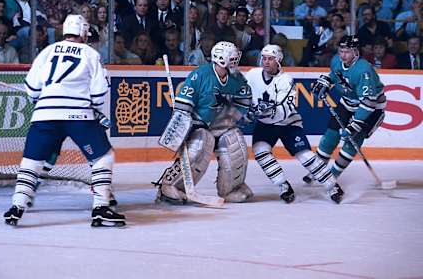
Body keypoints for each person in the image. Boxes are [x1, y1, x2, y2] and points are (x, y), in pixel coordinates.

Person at [3, 15, 125, 228]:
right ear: (84, 32)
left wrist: (45, 100)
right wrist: (91, 106)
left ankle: (17, 206)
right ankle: (101, 207)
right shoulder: (90, 53)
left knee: (32, 160)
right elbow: (98, 94)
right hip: (78, 115)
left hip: (44, 114)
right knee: (103, 157)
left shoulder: (46, 51)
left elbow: (31, 88)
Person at [156, 41, 253, 204]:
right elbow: (183, 106)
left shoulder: (236, 78)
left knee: (235, 142)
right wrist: (183, 129)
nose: (236, 60)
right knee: (201, 144)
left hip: (223, 126)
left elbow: (244, 101)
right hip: (199, 125)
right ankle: (170, 186)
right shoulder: (200, 75)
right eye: (232, 58)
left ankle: (230, 189)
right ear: (222, 59)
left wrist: (232, 119)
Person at [245, 44, 343, 204]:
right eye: (264, 58)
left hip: (288, 123)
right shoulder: (252, 74)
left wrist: (257, 112)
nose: (266, 62)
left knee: (304, 155)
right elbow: (242, 93)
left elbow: (283, 109)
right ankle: (283, 185)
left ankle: (332, 185)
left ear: (278, 61)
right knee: (260, 151)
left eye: (270, 59)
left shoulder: (286, 79)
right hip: (265, 124)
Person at [308, 35, 386, 187]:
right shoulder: (336, 60)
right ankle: (318, 170)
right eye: (341, 50)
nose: (343, 55)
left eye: (347, 51)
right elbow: (335, 75)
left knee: (352, 141)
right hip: (348, 103)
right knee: (331, 134)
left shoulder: (364, 70)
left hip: (371, 109)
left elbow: (369, 102)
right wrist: (326, 82)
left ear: (356, 52)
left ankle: (333, 174)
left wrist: (355, 125)